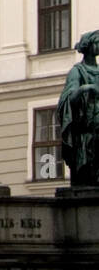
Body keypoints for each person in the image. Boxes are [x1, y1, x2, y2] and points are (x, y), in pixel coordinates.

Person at [56, 30, 99, 187]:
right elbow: (69, 98)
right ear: (88, 46)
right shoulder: (77, 71)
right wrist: (85, 88)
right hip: (87, 127)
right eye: (97, 43)